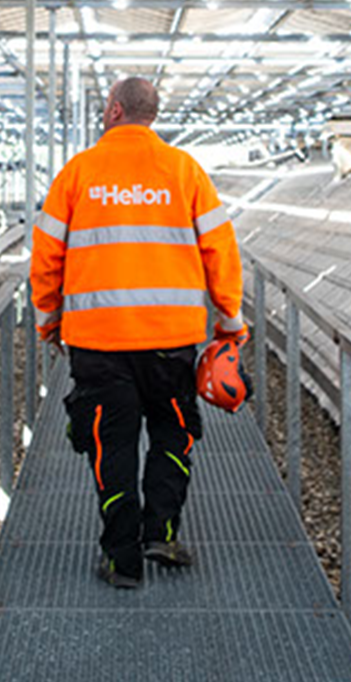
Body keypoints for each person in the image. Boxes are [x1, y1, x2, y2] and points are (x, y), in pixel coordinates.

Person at [31, 75, 244, 589]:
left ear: (112, 111)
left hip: (98, 342)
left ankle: (122, 559)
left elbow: (46, 255)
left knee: (112, 447)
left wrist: (48, 320)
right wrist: (230, 319)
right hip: (171, 342)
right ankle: (161, 533)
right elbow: (220, 249)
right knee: (174, 435)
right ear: (151, 115)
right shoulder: (184, 170)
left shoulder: (78, 173)